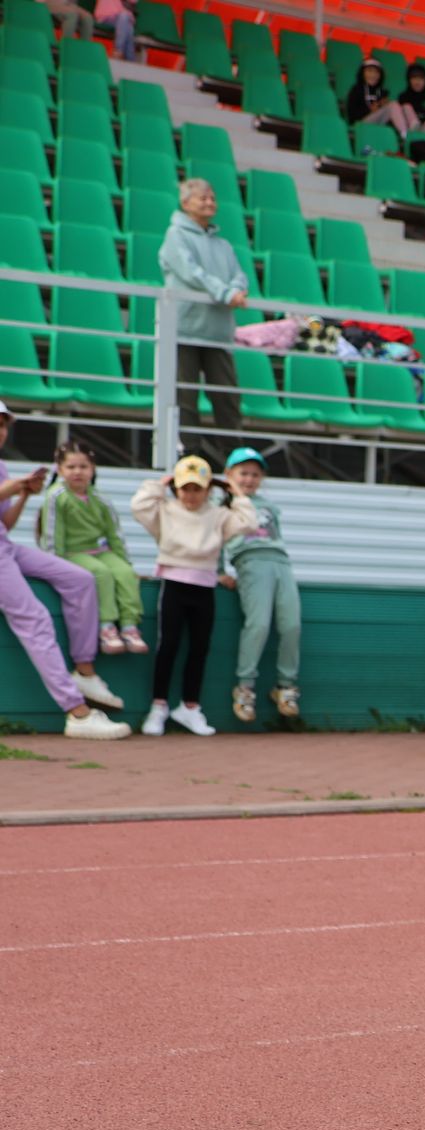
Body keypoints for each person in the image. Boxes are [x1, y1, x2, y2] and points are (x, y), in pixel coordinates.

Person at [0, 421, 129, 739]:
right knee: (36, 618)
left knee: (81, 579)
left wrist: (25, 496)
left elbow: (5, 523)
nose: (0, 432)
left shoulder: (2, 466)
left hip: (7, 546)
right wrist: (15, 487)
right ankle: (77, 712)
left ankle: (84, 671)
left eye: (3, 426)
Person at [133, 457, 257, 738]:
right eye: (184, 488)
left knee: (200, 648)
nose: (190, 495)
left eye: (197, 489)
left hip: (204, 585)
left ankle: (190, 706)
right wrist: (159, 484)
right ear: (176, 488)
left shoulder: (218, 515)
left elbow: (249, 523)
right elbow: (138, 506)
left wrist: (236, 492)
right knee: (169, 646)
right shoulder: (164, 511)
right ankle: (158, 707)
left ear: (208, 490)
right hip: (174, 583)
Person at [159, 178, 250, 439]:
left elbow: (239, 276)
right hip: (185, 330)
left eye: (212, 198)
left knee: (227, 398)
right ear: (185, 203)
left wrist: (235, 290)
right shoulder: (175, 235)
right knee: (185, 398)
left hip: (217, 332)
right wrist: (226, 293)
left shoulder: (223, 244)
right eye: (203, 198)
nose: (210, 203)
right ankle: (188, 456)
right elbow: (190, 273)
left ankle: (233, 457)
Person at [36, 441, 146, 655]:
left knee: (124, 572)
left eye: (84, 466)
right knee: (100, 573)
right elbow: (51, 533)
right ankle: (106, 626)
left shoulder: (100, 498)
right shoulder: (56, 496)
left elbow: (115, 533)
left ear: (93, 469)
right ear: (60, 469)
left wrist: (125, 561)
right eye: (71, 467)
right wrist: (53, 564)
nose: (78, 472)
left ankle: (129, 625)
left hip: (99, 552)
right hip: (70, 554)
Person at [217, 447, 301, 723]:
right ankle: (244, 688)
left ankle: (285, 685)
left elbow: (275, 537)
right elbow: (213, 540)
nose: (249, 479)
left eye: (255, 474)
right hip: (250, 563)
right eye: (243, 473)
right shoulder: (222, 507)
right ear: (229, 475)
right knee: (259, 623)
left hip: (280, 563)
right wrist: (219, 571)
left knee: (291, 624)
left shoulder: (269, 506)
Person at [343, 60, 415, 134]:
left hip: (379, 125)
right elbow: (352, 116)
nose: (373, 75)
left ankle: (412, 130)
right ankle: (405, 134)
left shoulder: (382, 92)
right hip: (360, 125)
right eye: (369, 71)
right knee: (392, 106)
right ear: (362, 73)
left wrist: (382, 106)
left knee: (400, 106)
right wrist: (370, 110)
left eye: (376, 72)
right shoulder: (356, 90)